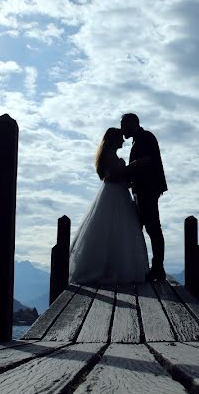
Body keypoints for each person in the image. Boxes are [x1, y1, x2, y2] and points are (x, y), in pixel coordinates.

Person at [68, 127, 149, 285]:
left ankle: (113, 267)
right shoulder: (109, 155)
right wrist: (135, 165)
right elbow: (116, 175)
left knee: (114, 229)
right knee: (115, 228)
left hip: (116, 192)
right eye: (120, 138)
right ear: (113, 139)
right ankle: (113, 269)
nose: (123, 141)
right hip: (115, 193)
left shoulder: (109, 155)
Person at [121, 113, 168, 281]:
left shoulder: (145, 137)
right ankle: (144, 266)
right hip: (142, 189)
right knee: (143, 228)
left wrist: (124, 172)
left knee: (153, 228)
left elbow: (146, 161)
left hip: (147, 190)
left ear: (131, 124)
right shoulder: (141, 138)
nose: (121, 129)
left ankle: (157, 269)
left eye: (123, 125)